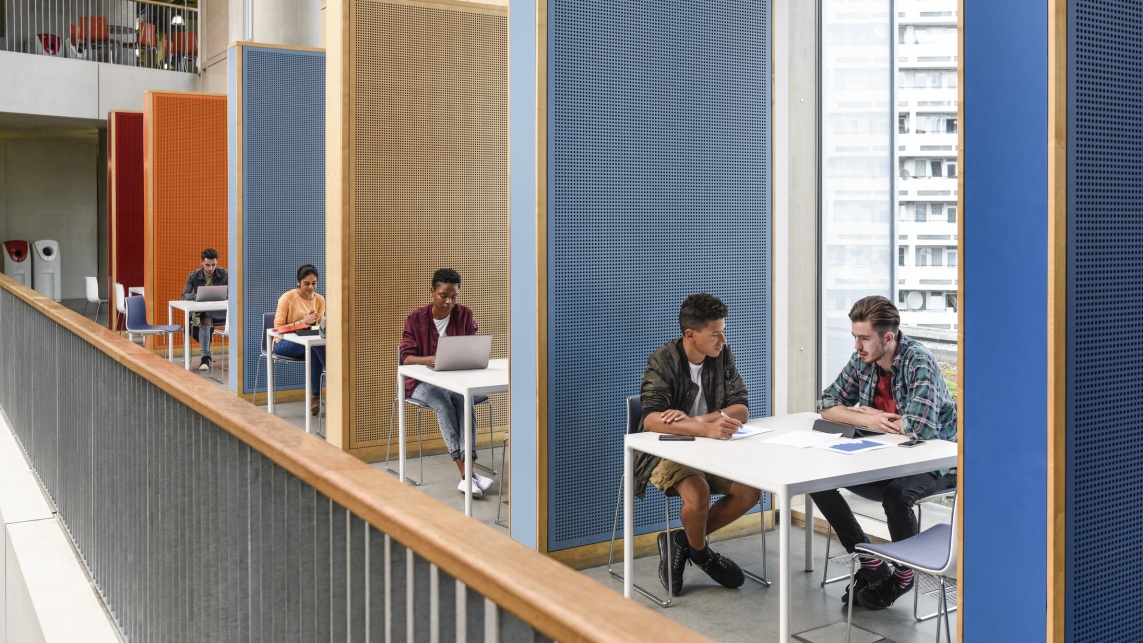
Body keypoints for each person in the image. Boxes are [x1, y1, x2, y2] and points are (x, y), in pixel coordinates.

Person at [810, 295, 957, 611]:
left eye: (864, 338)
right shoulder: (862, 360)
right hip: (887, 457)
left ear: (888, 337)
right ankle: (869, 560)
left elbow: (920, 428)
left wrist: (860, 414)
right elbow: (825, 405)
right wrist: (870, 417)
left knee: (896, 496)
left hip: (936, 464)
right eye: (855, 336)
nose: (857, 345)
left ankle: (904, 576)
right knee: (815, 479)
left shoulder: (919, 361)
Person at [636, 293, 762, 596]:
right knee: (698, 494)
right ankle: (703, 553)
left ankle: (682, 541)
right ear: (690, 334)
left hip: (711, 447)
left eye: (723, 330)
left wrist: (701, 422)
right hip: (666, 450)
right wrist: (706, 429)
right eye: (715, 333)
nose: (723, 339)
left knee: (750, 491)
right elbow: (652, 420)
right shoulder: (663, 360)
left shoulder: (722, 354)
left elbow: (741, 408)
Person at [399, 268, 493, 497]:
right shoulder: (415, 318)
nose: (449, 301)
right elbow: (407, 358)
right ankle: (466, 474)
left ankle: (469, 475)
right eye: (443, 296)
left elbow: (471, 349)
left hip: (454, 379)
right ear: (432, 292)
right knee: (443, 403)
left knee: (464, 400)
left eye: (454, 296)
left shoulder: (465, 315)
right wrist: (433, 358)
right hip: (418, 383)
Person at [273, 264, 327, 416]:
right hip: (282, 343)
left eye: (314, 283)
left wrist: (315, 323)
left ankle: (315, 398)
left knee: (315, 347)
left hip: (307, 343)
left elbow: (318, 329)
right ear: (298, 282)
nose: (311, 287)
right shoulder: (287, 298)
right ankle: (331, 372)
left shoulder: (320, 300)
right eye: (307, 283)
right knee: (315, 347)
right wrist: (303, 322)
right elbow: (278, 328)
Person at [181, 248, 228, 371]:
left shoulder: (224, 274)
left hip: (221, 311)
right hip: (203, 312)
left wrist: (223, 296)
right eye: (207, 265)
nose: (210, 268)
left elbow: (234, 293)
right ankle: (205, 357)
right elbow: (185, 295)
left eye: (213, 265)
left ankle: (237, 354)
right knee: (206, 318)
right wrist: (198, 296)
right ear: (201, 262)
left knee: (236, 317)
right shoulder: (194, 275)